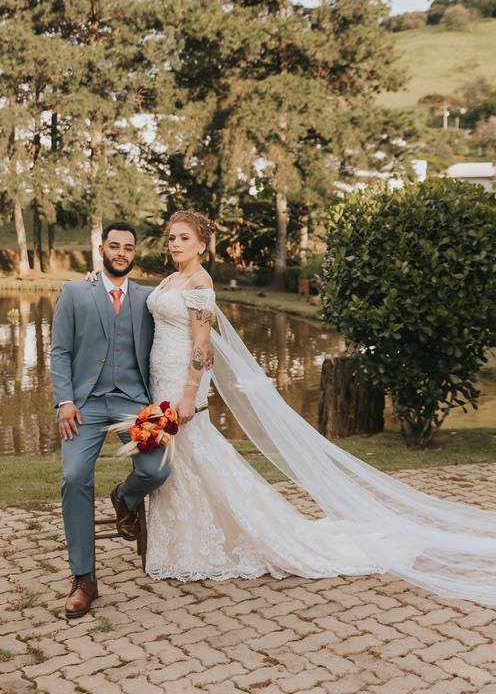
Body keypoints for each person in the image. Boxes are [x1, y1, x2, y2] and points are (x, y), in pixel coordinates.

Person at [142, 210, 496, 604]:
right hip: (161, 377)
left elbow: (201, 343)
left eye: (184, 238)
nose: (175, 244)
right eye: (172, 237)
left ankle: (210, 542)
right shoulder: (171, 278)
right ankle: (184, 540)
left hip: (182, 382)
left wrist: (190, 393)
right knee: (181, 460)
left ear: (202, 245)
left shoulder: (200, 281)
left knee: (195, 455)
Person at [50, 221, 168, 619]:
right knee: (74, 477)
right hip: (83, 404)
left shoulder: (149, 298)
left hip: (132, 403)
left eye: (128, 248)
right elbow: (59, 352)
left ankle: (124, 497)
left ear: (135, 254)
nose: (121, 253)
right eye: (114, 246)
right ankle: (84, 579)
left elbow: (191, 303)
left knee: (156, 469)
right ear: (101, 249)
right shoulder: (74, 292)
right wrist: (65, 401)